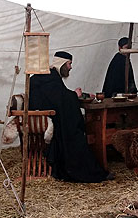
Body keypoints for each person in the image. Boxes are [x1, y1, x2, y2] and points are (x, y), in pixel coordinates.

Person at [29, 51, 111, 183]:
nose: (71, 67)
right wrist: (74, 95)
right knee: (75, 133)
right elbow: (59, 100)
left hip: (48, 115)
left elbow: (58, 97)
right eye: (69, 64)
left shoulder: (50, 76)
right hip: (44, 118)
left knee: (74, 128)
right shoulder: (50, 76)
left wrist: (74, 94)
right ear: (62, 63)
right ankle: (86, 171)